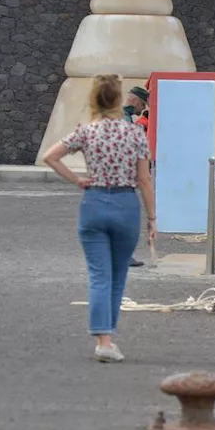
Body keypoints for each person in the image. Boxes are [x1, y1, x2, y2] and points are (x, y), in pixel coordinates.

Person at [42, 74, 156, 363]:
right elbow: (144, 180)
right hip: (125, 204)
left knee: (99, 275)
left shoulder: (86, 131)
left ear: (94, 99)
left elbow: (51, 156)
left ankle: (103, 338)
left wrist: (78, 180)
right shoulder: (135, 134)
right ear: (120, 100)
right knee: (119, 274)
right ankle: (108, 340)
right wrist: (152, 218)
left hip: (93, 202)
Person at [122, 86, 151, 268]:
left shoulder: (124, 117)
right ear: (136, 101)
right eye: (143, 103)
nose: (143, 108)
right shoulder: (126, 120)